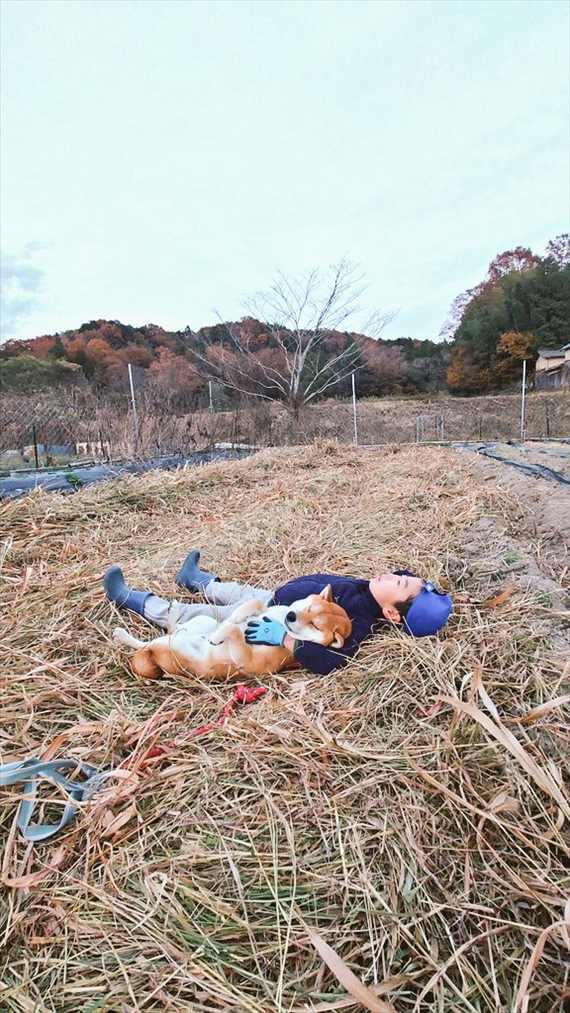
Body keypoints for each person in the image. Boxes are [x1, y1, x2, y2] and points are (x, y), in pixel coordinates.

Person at [104, 550, 452, 677]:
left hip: (268, 620)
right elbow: (403, 581)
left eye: (402, 584)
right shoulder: (372, 588)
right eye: (403, 575)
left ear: (391, 614)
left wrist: (283, 637)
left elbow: (330, 660)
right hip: (271, 599)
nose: (396, 576)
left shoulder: (358, 621)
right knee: (230, 589)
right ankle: (196, 579)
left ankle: (132, 599)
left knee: (198, 614)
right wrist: (427, 589)